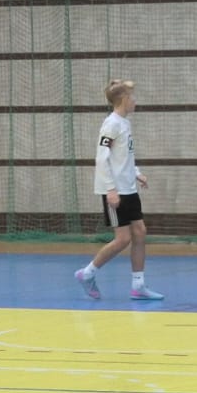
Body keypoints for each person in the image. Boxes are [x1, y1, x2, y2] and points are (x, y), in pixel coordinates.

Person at [74, 78, 165, 301]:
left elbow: (124, 156)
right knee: (123, 239)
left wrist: (136, 173)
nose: (135, 101)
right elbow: (102, 158)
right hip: (116, 191)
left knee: (140, 232)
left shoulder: (125, 123)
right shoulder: (111, 124)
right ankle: (87, 273)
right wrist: (110, 189)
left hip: (129, 188)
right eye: (132, 97)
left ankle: (138, 285)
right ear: (123, 99)